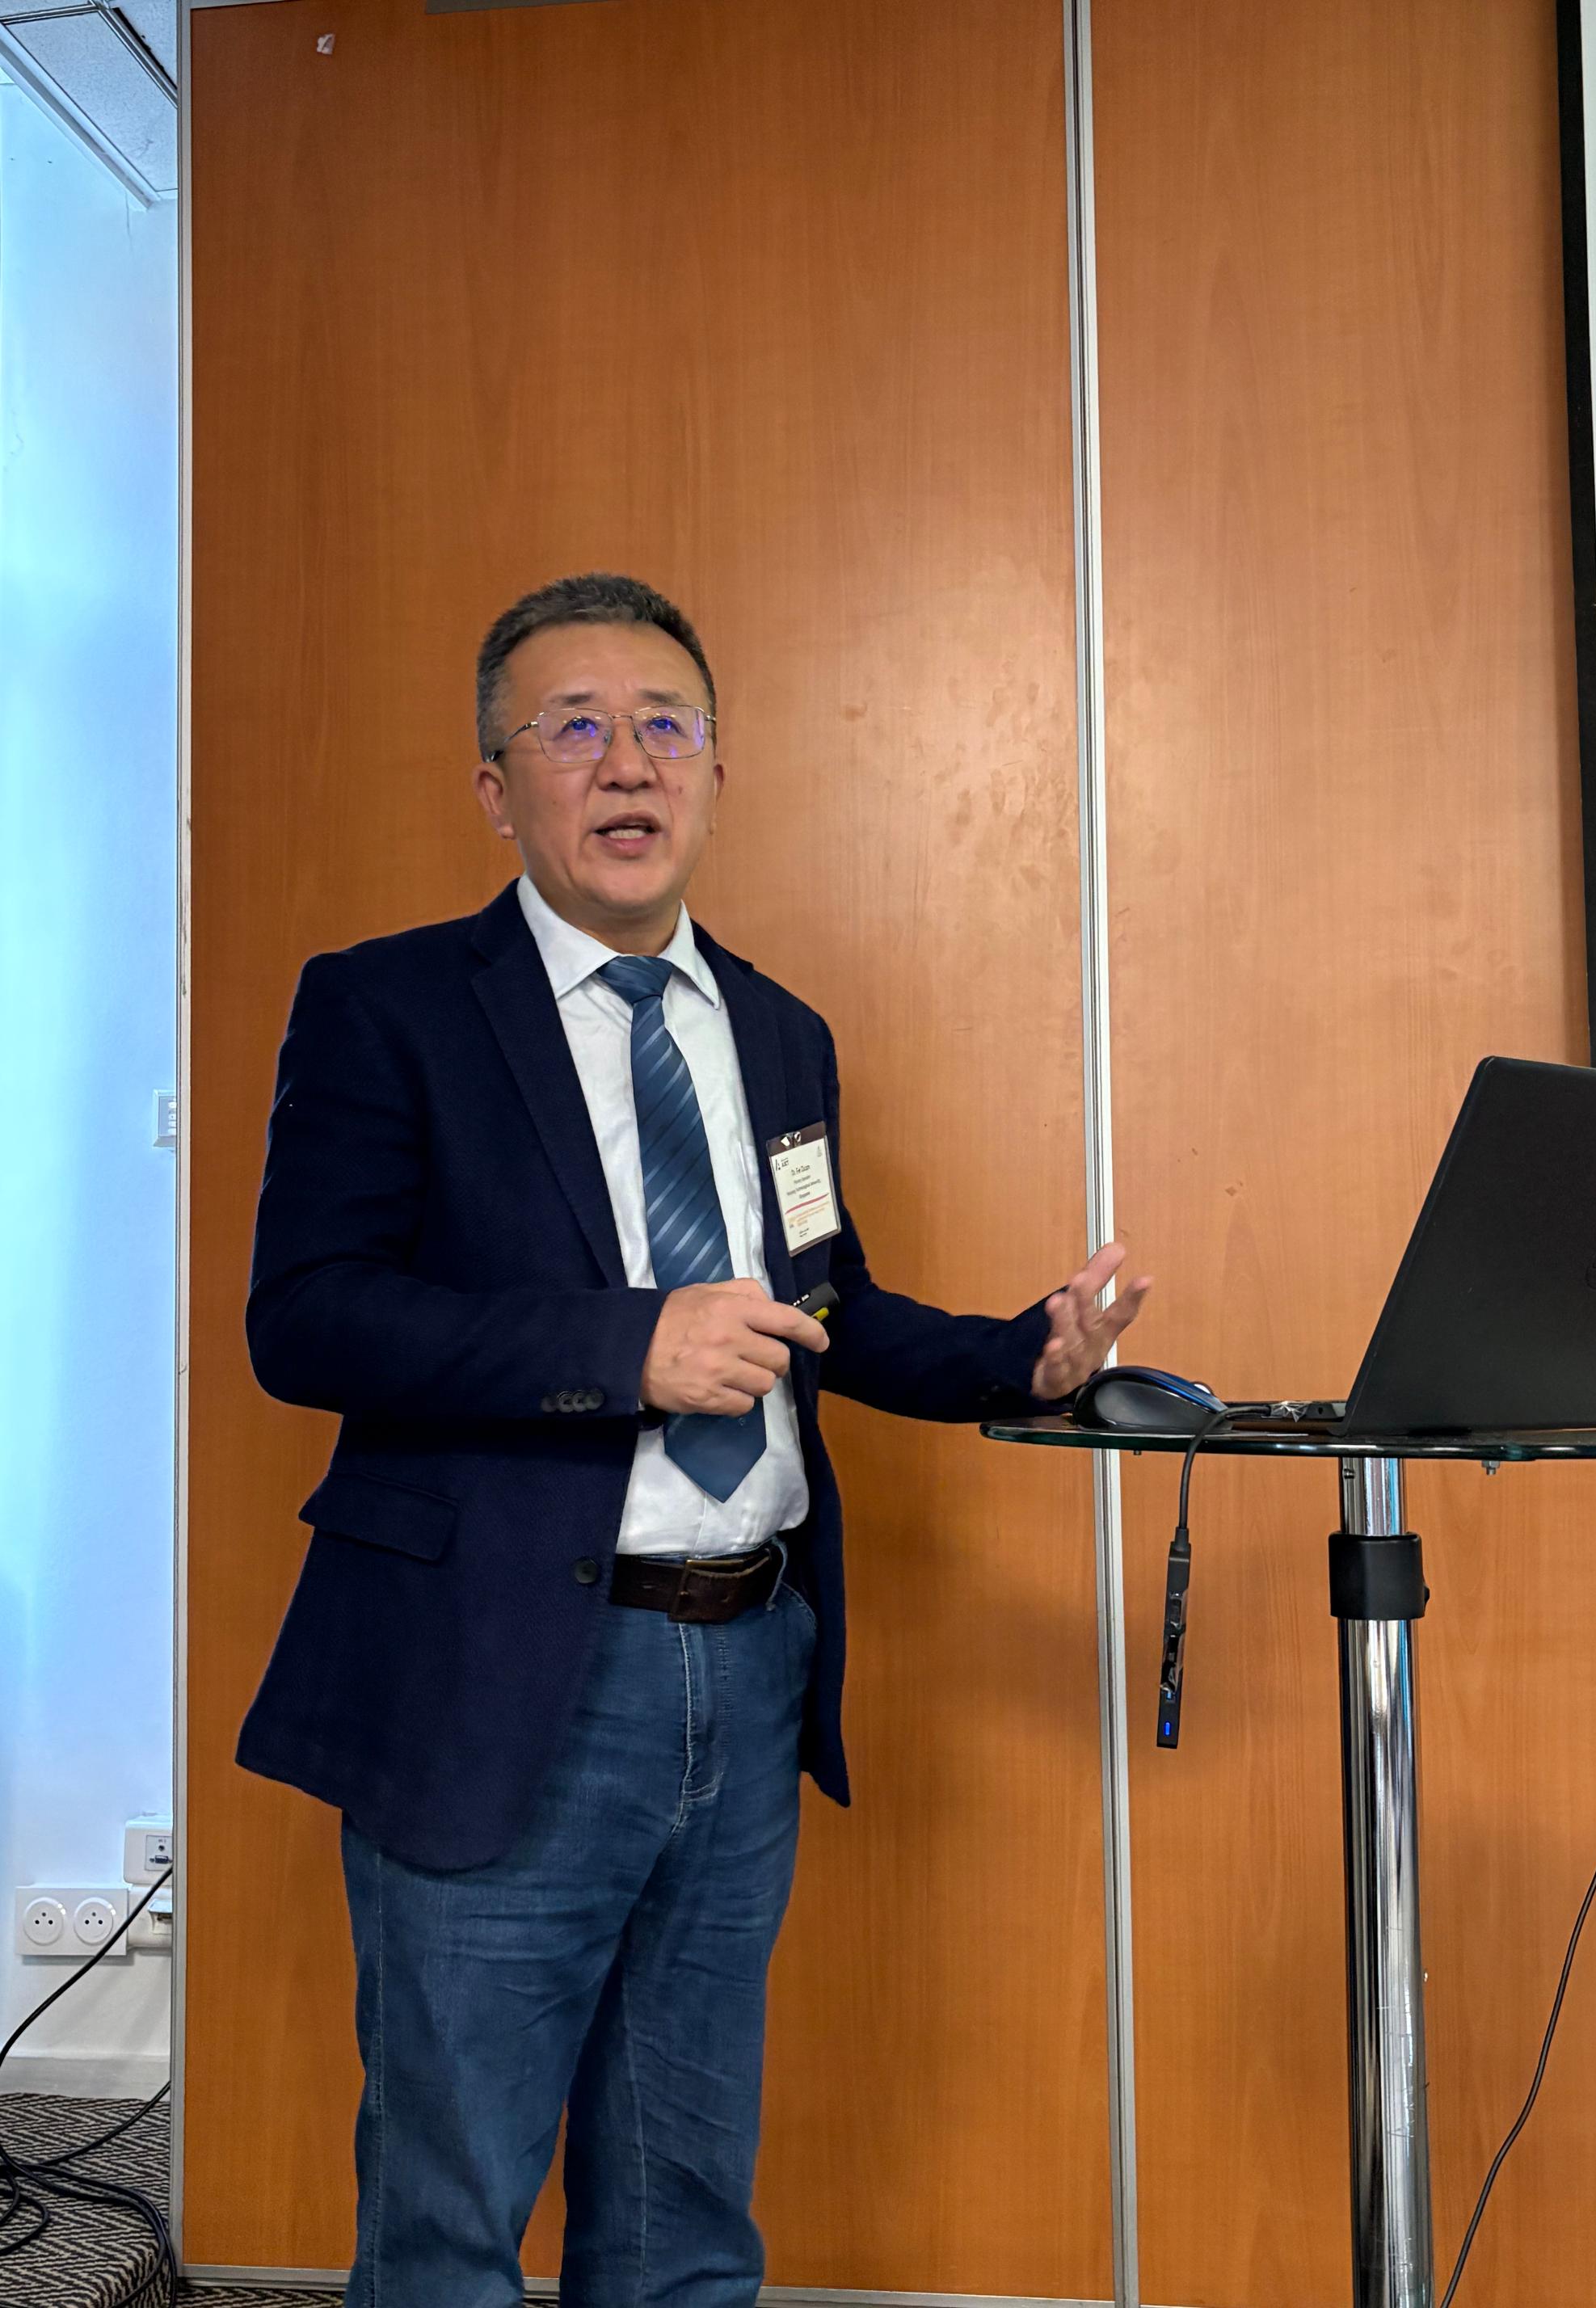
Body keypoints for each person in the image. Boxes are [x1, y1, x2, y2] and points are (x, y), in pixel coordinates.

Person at [238, 572, 1150, 2308]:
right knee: (450, 2220)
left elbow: (823, 1306)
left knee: (684, 2219)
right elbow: (310, 1318)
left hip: (747, 1665)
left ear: (718, 772)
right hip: (504, 1674)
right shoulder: (389, 1006)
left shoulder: (778, 1030)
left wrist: (1025, 1359)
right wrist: (623, 1347)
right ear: (496, 787)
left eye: (666, 724)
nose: (627, 762)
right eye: (573, 727)